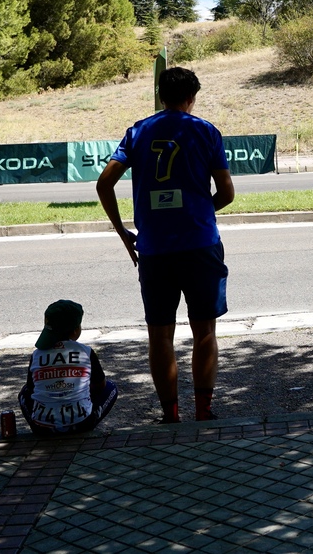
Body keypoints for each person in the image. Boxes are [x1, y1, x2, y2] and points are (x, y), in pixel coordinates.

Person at [96, 67, 235, 424]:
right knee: (204, 330)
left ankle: (169, 415)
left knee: (159, 333)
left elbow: (104, 184)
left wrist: (122, 232)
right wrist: (199, 211)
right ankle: (204, 411)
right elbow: (227, 193)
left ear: (161, 95)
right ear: (192, 98)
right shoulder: (206, 131)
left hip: (155, 249)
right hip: (200, 244)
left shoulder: (138, 131)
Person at [19, 300, 118, 435]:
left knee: (23, 393)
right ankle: (81, 420)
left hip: (42, 428)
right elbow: (100, 385)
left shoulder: (37, 354)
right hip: (82, 424)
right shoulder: (85, 351)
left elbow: (31, 389)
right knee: (111, 387)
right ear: (76, 330)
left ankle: (42, 425)